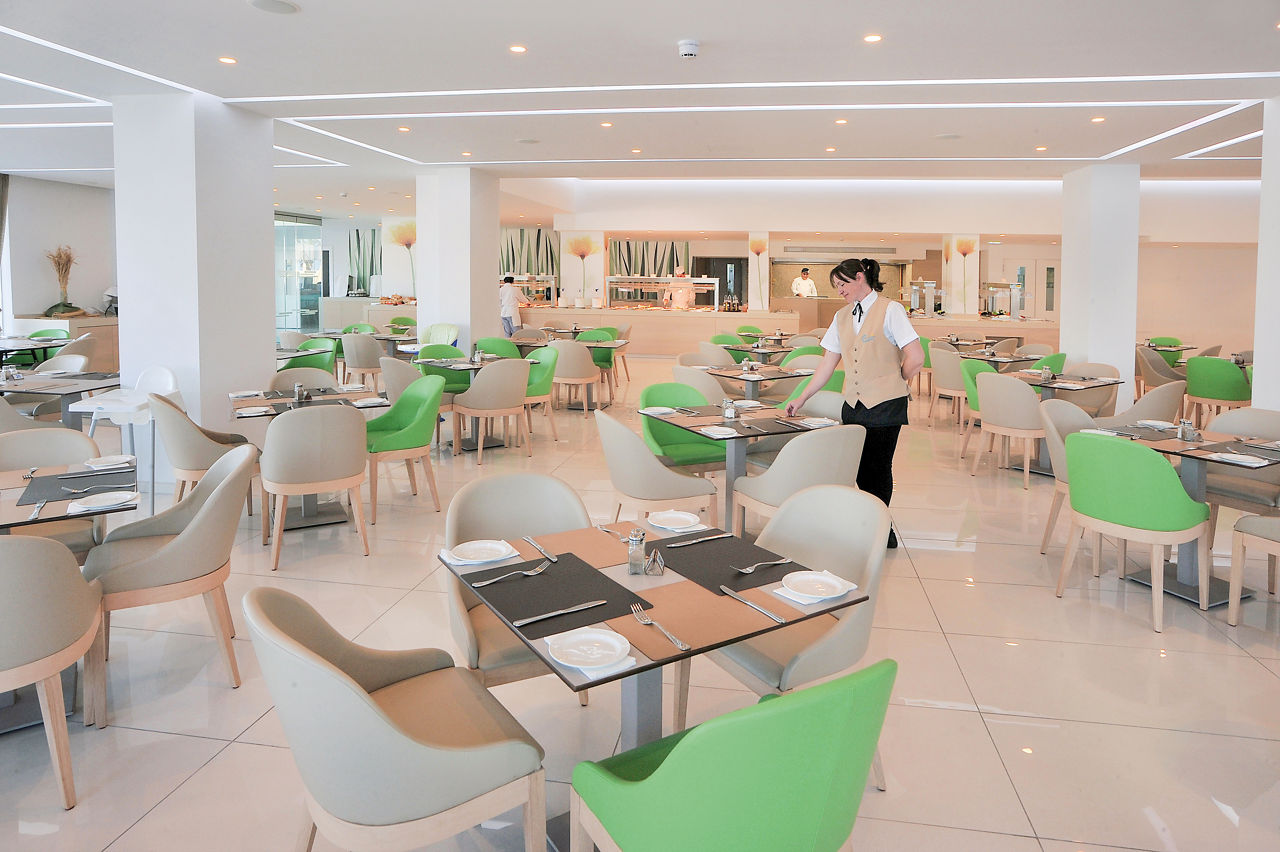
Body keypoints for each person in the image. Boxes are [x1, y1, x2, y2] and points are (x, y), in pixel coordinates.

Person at [786, 258, 924, 547]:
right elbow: (827, 365)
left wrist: (897, 379)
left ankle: (881, 528)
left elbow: (916, 356)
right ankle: (871, 522)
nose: (839, 291)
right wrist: (801, 397)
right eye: (836, 286)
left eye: (843, 284)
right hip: (854, 405)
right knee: (858, 467)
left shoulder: (891, 310)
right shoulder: (841, 317)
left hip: (886, 405)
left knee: (878, 467)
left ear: (860, 277)